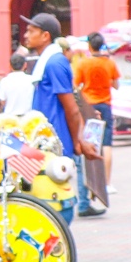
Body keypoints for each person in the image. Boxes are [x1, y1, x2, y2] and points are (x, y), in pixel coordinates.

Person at [20, 13, 101, 224]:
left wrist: (77, 141)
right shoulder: (47, 60)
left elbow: (71, 108)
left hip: (56, 143)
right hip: (43, 141)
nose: (26, 35)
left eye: (31, 30)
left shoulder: (55, 62)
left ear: (45, 35)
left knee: (57, 201)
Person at [74, 34, 116, 216]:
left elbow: (76, 86)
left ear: (89, 46)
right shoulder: (110, 63)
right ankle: (106, 182)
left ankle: (90, 189)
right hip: (105, 105)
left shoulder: (83, 64)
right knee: (106, 145)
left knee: (89, 146)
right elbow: (116, 85)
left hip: (89, 107)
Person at [0, 52, 35, 119]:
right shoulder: (32, 80)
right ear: (25, 65)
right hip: (28, 118)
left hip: (10, 118)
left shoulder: (4, 81)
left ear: (10, 66)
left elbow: (2, 101)